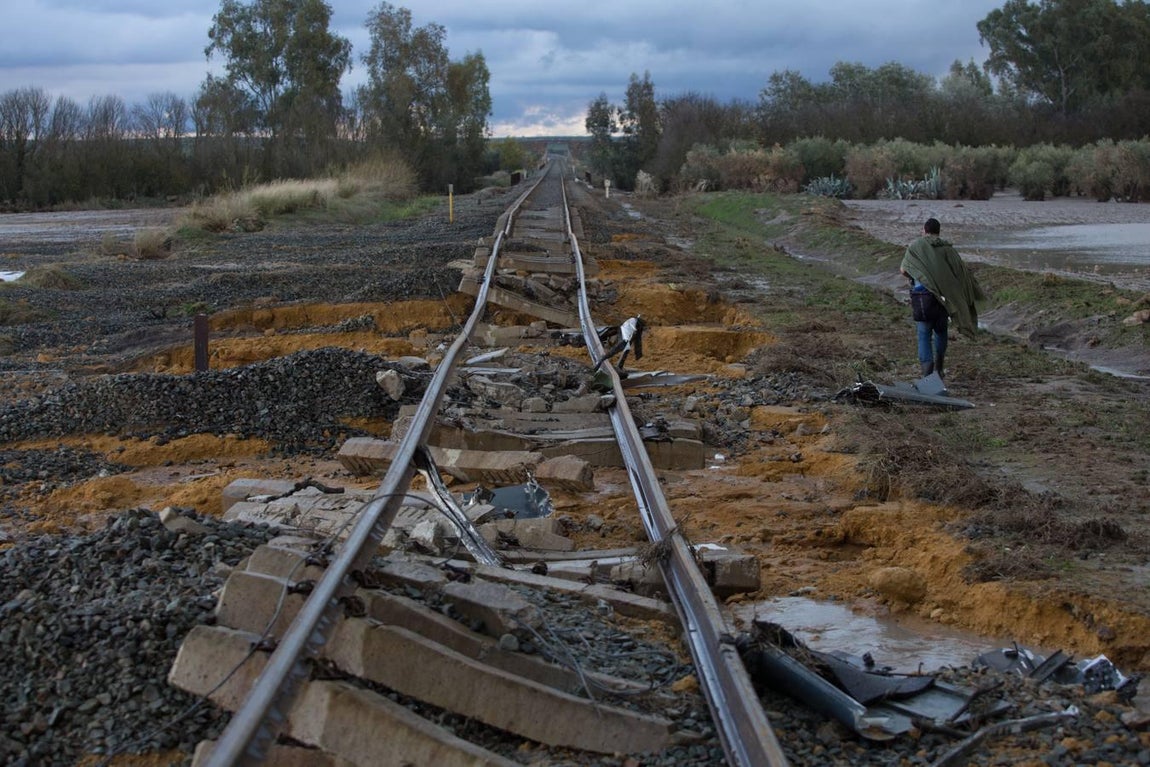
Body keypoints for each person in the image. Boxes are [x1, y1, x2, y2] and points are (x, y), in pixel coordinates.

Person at [899, 218, 985, 380]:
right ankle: (939, 367)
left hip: (923, 298)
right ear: (939, 232)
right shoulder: (948, 249)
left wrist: (917, 276)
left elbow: (903, 270)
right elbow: (961, 274)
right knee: (941, 331)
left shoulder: (916, 247)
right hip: (944, 299)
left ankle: (927, 372)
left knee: (924, 333)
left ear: (924, 231)